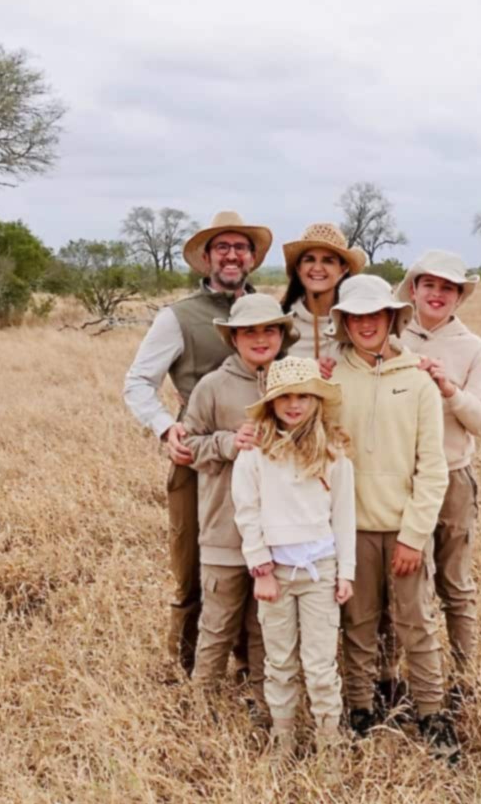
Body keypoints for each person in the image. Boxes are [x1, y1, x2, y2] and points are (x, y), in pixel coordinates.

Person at [123, 210, 272, 675]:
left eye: (240, 247)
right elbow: (137, 382)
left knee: (263, 557)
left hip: (266, 457)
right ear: (206, 259)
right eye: (222, 247)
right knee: (193, 562)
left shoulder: (269, 310)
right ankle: (186, 666)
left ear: (251, 258)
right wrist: (168, 428)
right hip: (201, 457)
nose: (232, 255)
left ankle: (254, 664)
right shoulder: (179, 317)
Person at [328, 274, 460, 763]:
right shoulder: (329, 381)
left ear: (392, 318)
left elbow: (433, 467)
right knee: (358, 623)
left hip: (405, 528)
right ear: (344, 322)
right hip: (350, 529)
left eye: (375, 315)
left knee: (417, 623)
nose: (366, 324)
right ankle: (359, 707)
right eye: (356, 316)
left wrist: (414, 535)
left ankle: (432, 712)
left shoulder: (419, 380)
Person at [231, 356, 355, 772]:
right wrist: (261, 569)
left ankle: (329, 744)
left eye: (303, 395)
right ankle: (283, 740)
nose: (294, 404)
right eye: (285, 396)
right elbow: (247, 512)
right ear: (271, 403)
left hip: (320, 571)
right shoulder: (255, 455)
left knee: (320, 666)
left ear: (317, 400)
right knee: (280, 662)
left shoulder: (334, 455)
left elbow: (344, 517)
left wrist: (346, 572)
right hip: (276, 576)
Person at [182, 295, 298, 725]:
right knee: (217, 626)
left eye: (270, 329)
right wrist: (230, 442)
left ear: (283, 334)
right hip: (225, 531)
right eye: (250, 331)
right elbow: (188, 446)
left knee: (265, 627)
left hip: (278, 535)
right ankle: (202, 707)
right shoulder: (213, 385)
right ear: (233, 337)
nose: (261, 339)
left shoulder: (290, 382)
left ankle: (263, 706)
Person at [398, 251, 481, 708]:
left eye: (448, 288)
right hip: (401, 479)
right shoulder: (393, 334)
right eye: (429, 285)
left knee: (454, 583)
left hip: (454, 476)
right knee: (402, 580)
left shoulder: (470, 346)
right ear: (413, 289)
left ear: (459, 297)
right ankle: (400, 677)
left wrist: (449, 389)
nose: (437, 295)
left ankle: (463, 675)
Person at [281, 223, 366, 360]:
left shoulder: (358, 322)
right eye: (309, 260)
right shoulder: (282, 326)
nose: (317, 268)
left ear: (343, 268)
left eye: (328, 261)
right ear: (298, 267)